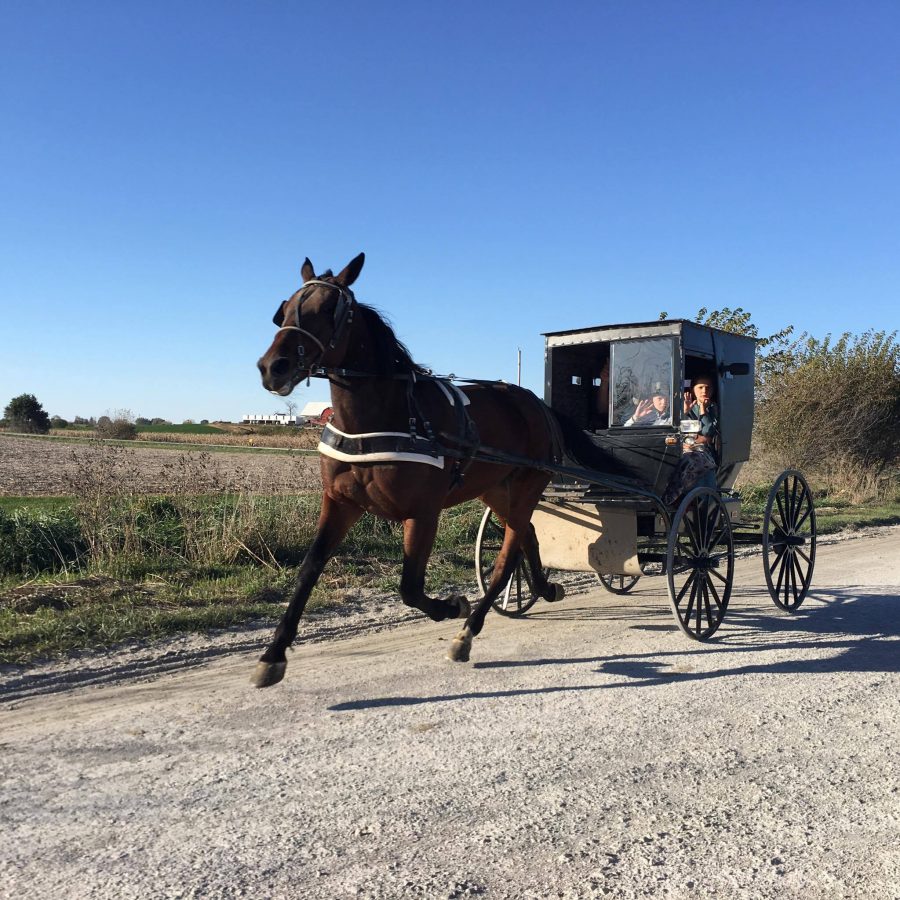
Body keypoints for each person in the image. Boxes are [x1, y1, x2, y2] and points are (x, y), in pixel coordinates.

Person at [663, 375, 719, 506]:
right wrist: (685, 412)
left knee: (693, 461)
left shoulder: (714, 408)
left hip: (704, 451)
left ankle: (690, 499)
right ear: (693, 390)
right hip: (683, 446)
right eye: (700, 387)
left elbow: (707, 433)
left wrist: (703, 410)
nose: (704, 391)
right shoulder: (686, 406)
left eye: (707, 388)